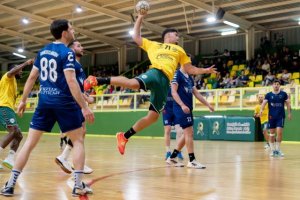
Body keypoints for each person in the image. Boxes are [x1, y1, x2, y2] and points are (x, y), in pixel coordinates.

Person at [84, 13, 216, 155]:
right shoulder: (154, 45)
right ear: (168, 36)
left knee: (153, 117)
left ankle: (124, 136)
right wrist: (140, 17)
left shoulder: (180, 50)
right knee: (133, 84)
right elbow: (136, 37)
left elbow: (189, 69)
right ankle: (96, 80)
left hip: (165, 83)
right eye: (176, 35)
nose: (178, 38)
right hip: (156, 73)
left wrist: (205, 70)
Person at [0, 19, 94, 197]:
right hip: (65, 103)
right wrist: (84, 106)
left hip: (44, 102)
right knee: (79, 140)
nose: (74, 30)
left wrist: (23, 100)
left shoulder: (42, 51)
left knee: (29, 144)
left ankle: (10, 185)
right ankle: (78, 186)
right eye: (71, 28)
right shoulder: (67, 53)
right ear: (65, 32)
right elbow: (71, 81)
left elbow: (31, 77)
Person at [55, 39, 93, 175]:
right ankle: (75, 163)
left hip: (76, 101)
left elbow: (80, 87)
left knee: (81, 132)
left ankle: (66, 158)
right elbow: (72, 85)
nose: (82, 47)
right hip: (72, 102)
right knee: (80, 133)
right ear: (71, 50)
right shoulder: (73, 66)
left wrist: (86, 96)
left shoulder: (79, 67)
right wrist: (85, 100)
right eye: (79, 45)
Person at [166, 67, 214, 169]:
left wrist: (207, 104)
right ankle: (192, 161)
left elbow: (196, 93)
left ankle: (172, 157)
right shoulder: (177, 75)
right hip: (180, 108)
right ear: (184, 62)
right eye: (189, 62)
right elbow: (173, 92)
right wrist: (182, 105)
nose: (191, 64)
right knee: (189, 132)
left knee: (188, 133)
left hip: (188, 108)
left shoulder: (189, 78)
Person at [0, 59, 34, 170]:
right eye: (19, 70)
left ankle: (9, 159)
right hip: (3, 107)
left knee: (18, 135)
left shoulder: (13, 83)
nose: (21, 72)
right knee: (13, 131)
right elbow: (12, 72)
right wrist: (25, 64)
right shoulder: (7, 77)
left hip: (8, 109)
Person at [260, 80, 291, 157]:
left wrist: (289, 113)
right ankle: (273, 150)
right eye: (274, 84)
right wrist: (261, 110)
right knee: (272, 134)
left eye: (277, 84)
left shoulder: (284, 94)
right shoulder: (268, 95)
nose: (276, 85)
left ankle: (278, 149)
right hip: (271, 117)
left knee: (279, 132)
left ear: (279, 85)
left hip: (281, 116)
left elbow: (288, 104)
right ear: (272, 86)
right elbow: (263, 103)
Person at [162, 87, 183, 160]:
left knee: (179, 131)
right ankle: (168, 152)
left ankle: (178, 150)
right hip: (166, 112)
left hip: (176, 111)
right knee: (167, 130)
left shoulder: (178, 86)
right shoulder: (164, 87)